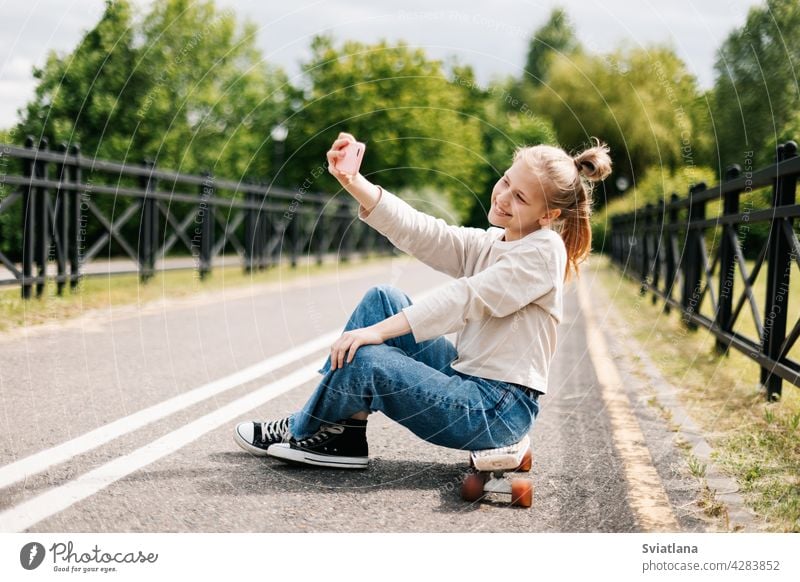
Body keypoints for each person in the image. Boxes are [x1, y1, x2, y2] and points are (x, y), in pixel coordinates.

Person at [234, 131, 612, 469]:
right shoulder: (496, 241)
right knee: (382, 298)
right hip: (469, 383)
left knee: (369, 357)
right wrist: (353, 181)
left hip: (495, 410)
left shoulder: (543, 251)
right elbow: (424, 232)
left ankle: (306, 427)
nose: (503, 197)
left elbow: (465, 299)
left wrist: (376, 334)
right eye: (506, 182)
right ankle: (341, 434)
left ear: (549, 214)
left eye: (520, 197)